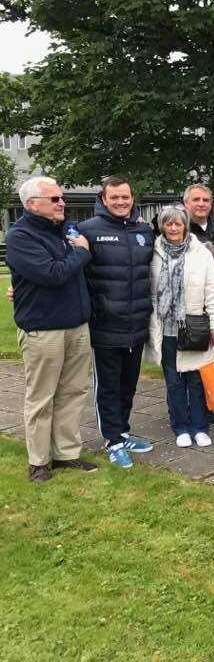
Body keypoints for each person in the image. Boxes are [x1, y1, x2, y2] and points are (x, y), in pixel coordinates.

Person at [7, 176, 97, 482]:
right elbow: (52, 273)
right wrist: (81, 253)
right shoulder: (21, 237)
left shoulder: (66, 231)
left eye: (61, 198)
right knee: (41, 396)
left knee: (73, 392)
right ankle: (39, 462)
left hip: (77, 325)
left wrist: (76, 251)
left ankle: (67, 454)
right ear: (32, 204)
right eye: (55, 199)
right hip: (43, 330)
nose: (62, 203)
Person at [78, 176, 155, 468]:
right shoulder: (87, 231)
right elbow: (68, 270)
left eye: (125, 197)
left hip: (136, 325)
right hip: (105, 326)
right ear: (104, 199)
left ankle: (123, 431)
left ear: (132, 198)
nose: (121, 202)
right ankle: (112, 441)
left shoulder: (144, 231)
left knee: (128, 385)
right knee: (107, 387)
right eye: (115, 198)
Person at [146, 206, 214, 447]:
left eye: (178, 223)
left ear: (185, 225)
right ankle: (180, 427)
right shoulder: (153, 253)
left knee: (197, 380)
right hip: (166, 328)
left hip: (194, 327)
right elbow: (149, 291)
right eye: (168, 223)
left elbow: (213, 291)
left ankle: (200, 427)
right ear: (162, 226)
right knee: (174, 380)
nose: (173, 228)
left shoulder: (202, 253)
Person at [183, 183, 214, 272]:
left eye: (206, 200)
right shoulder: (180, 231)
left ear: (210, 205)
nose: (201, 204)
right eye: (196, 199)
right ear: (186, 203)